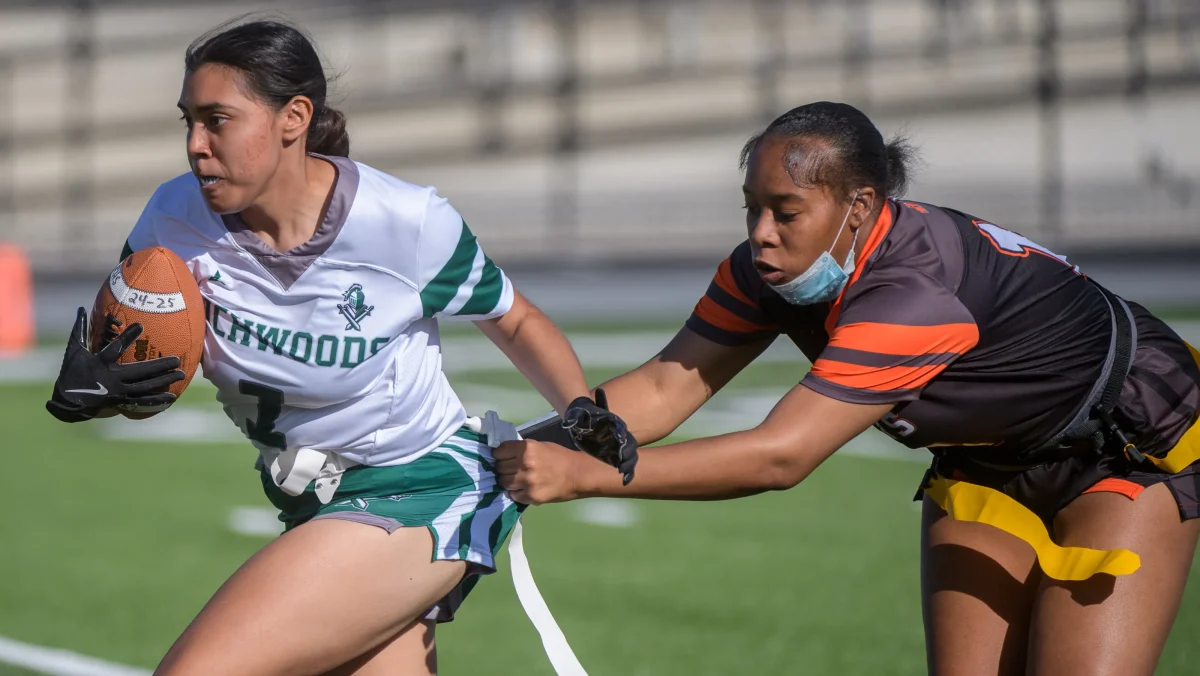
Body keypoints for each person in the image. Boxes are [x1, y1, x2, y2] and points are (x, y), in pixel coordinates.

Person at [498, 101, 1200, 675]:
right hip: (987, 461)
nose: (760, 235)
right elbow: (659, 389)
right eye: (751, 209)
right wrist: (502, 451)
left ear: (859, 206)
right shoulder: (763, 270)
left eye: (786, 211)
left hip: (1124, 452)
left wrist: (581, 477)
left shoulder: (914, 295)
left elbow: (781, 456)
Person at [44, 19, 633, 676]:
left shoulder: (405, 223)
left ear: (294, 117)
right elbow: (147, 370)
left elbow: (515, 317)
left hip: (420, 490)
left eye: (217, 120)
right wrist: (96, 394)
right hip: (312, 502)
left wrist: (579, 405)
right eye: (187, 121)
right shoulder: (171, 218)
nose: (195, 145)